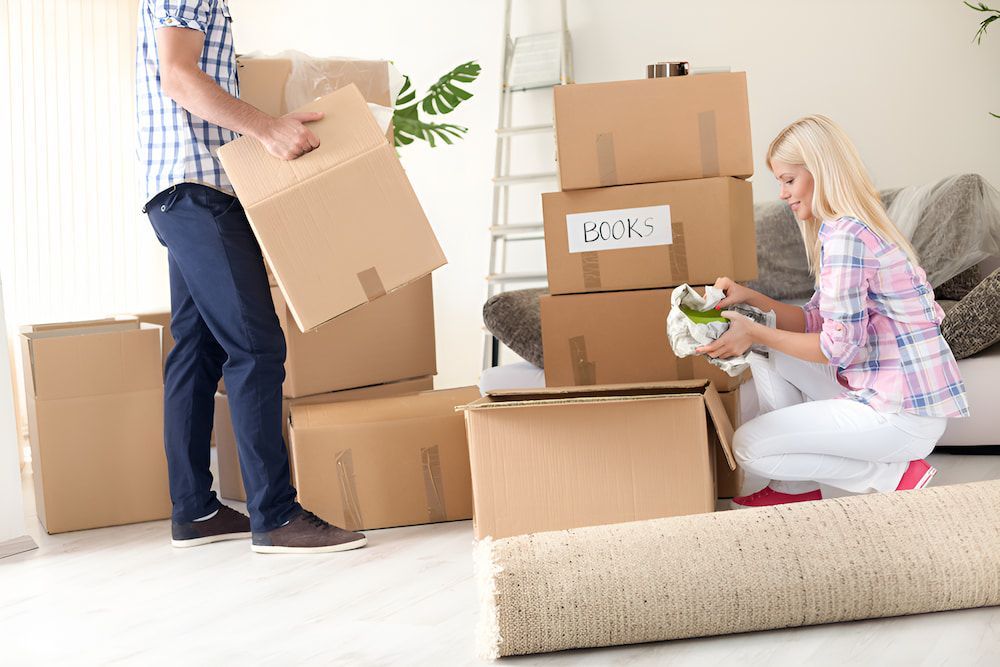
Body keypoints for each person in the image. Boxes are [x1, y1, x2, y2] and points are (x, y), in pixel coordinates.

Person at [136, 0, 367, 552]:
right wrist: (268, 130)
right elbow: (178, 76)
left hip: (181, 191)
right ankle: (277, 516)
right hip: (198, 190)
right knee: (256, 347)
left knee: (197, 348)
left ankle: (194, 512)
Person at [697, 115, 970, 509]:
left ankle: (895, 476)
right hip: (887, 397)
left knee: (748, 447)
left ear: (820, 172)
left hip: (899, 414)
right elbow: (815, 321)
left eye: (789, 180)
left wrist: (754, 332)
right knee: (765, 346)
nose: (783, 194)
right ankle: (794, 488)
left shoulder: (846, 238)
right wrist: (750, 299)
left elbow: (835, 349)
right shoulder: (847, 230)